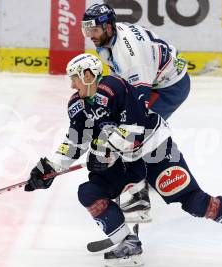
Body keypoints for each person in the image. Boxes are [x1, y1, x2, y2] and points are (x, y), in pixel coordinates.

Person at [23, 53, 222, 267]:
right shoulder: (77, 105)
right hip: (125, 159)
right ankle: (129, 245)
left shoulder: (116, 87)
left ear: (89, 75)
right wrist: (50, 168)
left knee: (196, 203)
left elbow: (134, 130)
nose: (72, 86)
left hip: (155, 150)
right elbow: (75, 141)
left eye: (75, 79)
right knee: (89, 191)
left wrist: (105, 151)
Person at [81, 3, 190, 222]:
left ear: (108, 26)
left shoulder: (130, 56)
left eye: (94, 29)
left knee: (138, 132)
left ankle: (138, 194)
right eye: (87, 30)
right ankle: (139, 176)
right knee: (125, 128)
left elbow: (139, 108)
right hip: (156, 79)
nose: (90, 35)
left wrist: (124, 136)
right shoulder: (107, 40)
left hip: (168, 87)